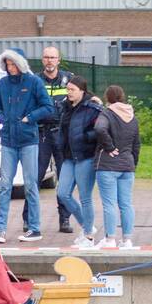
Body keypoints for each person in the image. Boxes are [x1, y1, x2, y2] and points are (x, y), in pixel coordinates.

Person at [0, 49, 54, 243]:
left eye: (13, 64)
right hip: (9, 140)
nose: (10, 68)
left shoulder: (34, 82)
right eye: (7, 65)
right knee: (4, 185)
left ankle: (34, 229)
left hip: (28, 140)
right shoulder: (2, 84)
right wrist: (2, 119)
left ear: (20, 64)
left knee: (31, 185)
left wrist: (29, 118)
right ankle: (0, 229)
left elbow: (48, 107)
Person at [22, 45, 73, 234]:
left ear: (59, 60)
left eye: (53, 57)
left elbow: (79, 100)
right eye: (46, 57)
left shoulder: (69, 79)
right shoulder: (34, 80)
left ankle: (65, 219)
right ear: (42, 60)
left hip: (62, 133)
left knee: (65, 178)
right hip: (41, 133)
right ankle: (29, 219)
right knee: (34, 178)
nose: (49, 61)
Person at [57, 76, 102, 248]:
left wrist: (86, 137)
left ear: (82, 91)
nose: (69, 93)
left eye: (72, 90)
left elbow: (101, 128)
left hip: (85, 157)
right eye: (68, 89)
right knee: (63, 193)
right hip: (68, 156)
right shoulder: (65, 107)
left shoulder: (92, 107)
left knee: (85, 197)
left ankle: (89, 236)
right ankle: (87, 226)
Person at [94, 85, 140, 249]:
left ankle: (110, 239)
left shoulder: (107, 114)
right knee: (126, 204)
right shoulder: (132, 117)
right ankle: (127, 240)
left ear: (108, 98)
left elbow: (99, 128)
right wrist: (132, 163)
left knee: (109, 204)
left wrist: (109, 147)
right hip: (127, 166)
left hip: (108, 165)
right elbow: (136, 145)